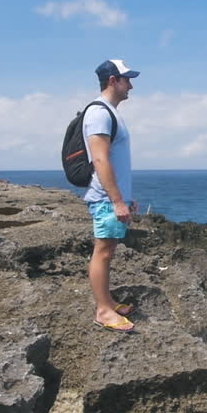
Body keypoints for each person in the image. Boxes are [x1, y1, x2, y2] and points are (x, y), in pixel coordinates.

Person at [83, 59, 140, 331]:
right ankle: (103, 311)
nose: (130, 85)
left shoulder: (110, 113)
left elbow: (115, 161)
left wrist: (126, 197)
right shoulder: (99, 113)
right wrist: (117, 200)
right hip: (106, 199)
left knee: (108, 250)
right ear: (112, 80)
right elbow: (100, 161)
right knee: (103, 252)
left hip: (114, 197)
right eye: (126, 79)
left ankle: (107, 301)